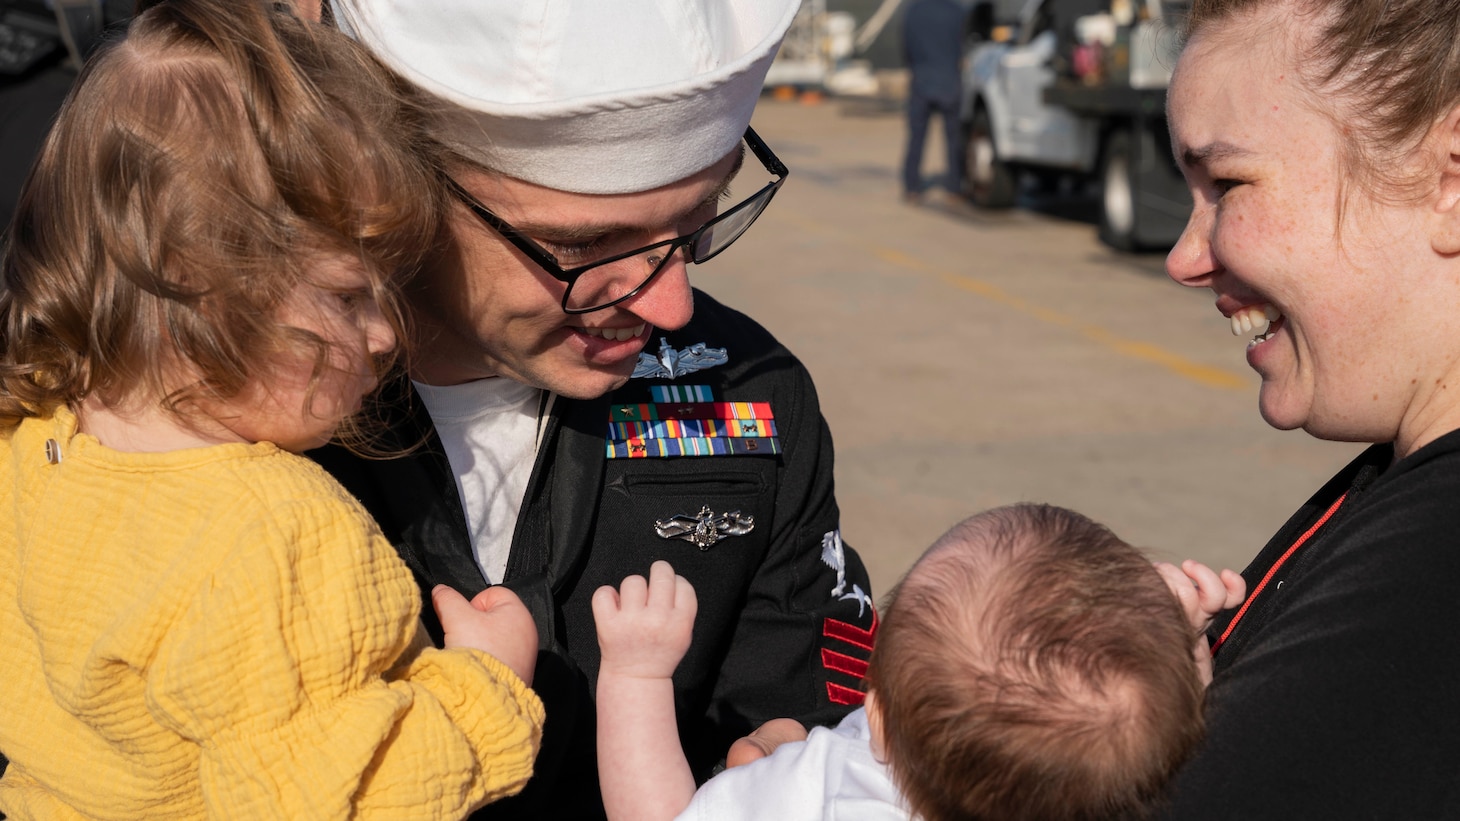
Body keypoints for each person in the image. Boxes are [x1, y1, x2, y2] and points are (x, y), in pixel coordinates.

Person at [312, 1, 880, 816]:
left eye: (695, 224)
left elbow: (811, 692)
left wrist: (800, 757)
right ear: (394, 185)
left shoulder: (750, 395)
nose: (673, 307)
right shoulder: (237, 419)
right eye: (586, 248)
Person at [0, 2, 545, 817]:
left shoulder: (35, 432)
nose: (385, 332)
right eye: (347, 295)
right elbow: (343, 797)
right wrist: (486, 687)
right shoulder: (274, 531)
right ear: (198, 283)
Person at [1158, 0, 1460, 816]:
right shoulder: (1399, 480)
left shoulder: (1430, 580)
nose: (1184, 258)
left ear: (1451, 180)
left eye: (1226, 183)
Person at [593, 503, 1245, 821]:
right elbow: (1179, 750)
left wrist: (635, 675)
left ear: (875, 719)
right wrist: (1182, 647)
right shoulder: (1132, 794)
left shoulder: (834, 787)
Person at [900, 0, 967, 203]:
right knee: (954, 138)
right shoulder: (957, 11)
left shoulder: (913, 11)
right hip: (950, 81)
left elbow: (906, 47)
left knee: (916, 137)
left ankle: (912, 187)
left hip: (921, 80)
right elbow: (963, 45)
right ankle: (954, 187)